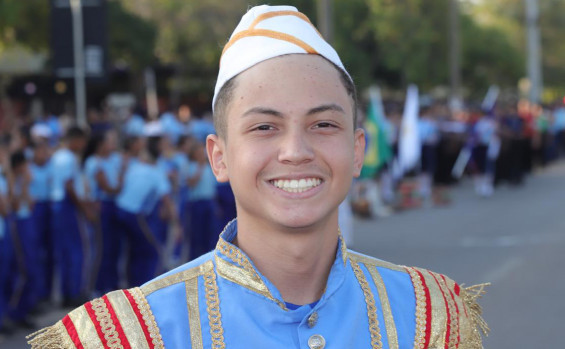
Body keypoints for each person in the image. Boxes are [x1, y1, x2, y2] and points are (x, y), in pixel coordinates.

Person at [29, 5, 488, 348]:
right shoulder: (130, 333)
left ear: (356, 149)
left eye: (323, 124)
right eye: (264, 127)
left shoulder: (428, 316)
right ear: (220, 156)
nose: (295, 152)